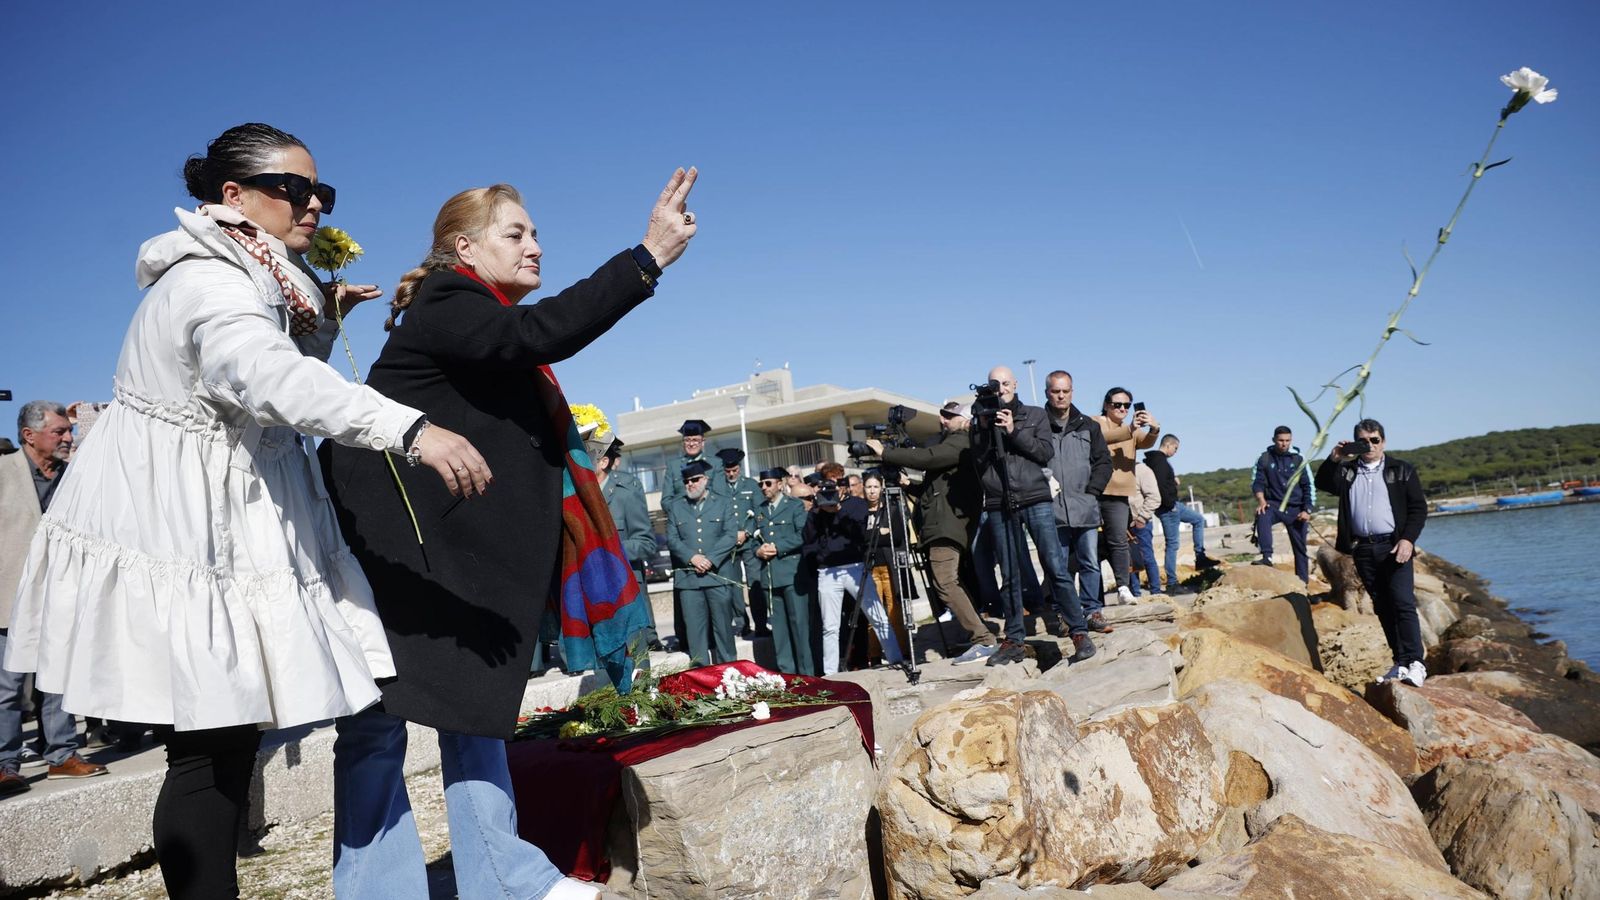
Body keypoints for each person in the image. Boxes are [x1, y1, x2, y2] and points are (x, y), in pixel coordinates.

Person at [3, 124, 492, 898]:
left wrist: (324, 323)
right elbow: (264, 376)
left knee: (222, 742)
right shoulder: (211, 281)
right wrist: (410, 428)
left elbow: (272, 385)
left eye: (320, 192)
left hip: (220, 518)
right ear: (232, 196)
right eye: (293, 189)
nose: (314, 206)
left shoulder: (254, 274)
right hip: (183, 529)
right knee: (208, 747)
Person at [323, 171, 696, 900]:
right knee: (377, 722)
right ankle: (380, 890)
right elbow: (536, 332)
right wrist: (644, 257)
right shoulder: (450, 301)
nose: (537, 247)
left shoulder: (470, 312)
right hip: (394, 555)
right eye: (516, 233)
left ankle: (504, 876)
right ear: (464, 247)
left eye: (536, 234)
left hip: (448, 560)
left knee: (476, 709)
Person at [2, 402, 108, 798]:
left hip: (61, 596)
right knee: (8, 688)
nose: (67, 438)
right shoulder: (3, 472)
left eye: (68, 431)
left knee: (58, 682)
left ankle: (62, 756)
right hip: (8, 596)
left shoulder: (72, 477)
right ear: (29, 436)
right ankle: (5, 765)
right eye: (59, 432)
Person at [969, 366, 1096, 666]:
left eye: (1005, 383)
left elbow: (1043, 453)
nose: (1000, 388)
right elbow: (978, 460)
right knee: (1010, 575)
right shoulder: (981, 419)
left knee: (1055, 565)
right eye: (994, 384)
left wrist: (1012, 431)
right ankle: (1014, 639)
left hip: (1034, 498)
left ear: (1014, 385)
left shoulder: (1035, 415)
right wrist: (986, 427)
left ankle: (1078, 631)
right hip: (1000, 502)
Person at [871, 402, 994, 663]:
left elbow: (927, 457)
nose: (943, 419)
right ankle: (978, 635)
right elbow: (933, 490)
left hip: (946, 526)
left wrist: (886, 453)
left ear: (964, 420)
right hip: (942, 524)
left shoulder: (961, 441)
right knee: (949, 581)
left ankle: (983, 639)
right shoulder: (955, 445)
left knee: (945, 581)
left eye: (950, 416)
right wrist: (908, 485)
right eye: (943, 415)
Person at [1316, 419, 1429, 686]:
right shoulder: (1348, 471)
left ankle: (1416, 663)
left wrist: (1408, 540)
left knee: (1402, 602)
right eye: (1363, 441)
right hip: (1363, 548)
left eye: (1375, 440)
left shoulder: (1401, 470)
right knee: (1382, 606)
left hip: (1394, 546)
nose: (1370, 445)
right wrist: (1334, 458)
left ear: (1384, 442)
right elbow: (1323, 482)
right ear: (1356, 442)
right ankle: (1400, 662)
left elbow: (1418, 509)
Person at [803, 471, 904, 675]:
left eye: (833, 490)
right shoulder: (816, 513)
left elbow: (860, 533)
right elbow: (808, 541)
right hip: (827, 571)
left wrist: (838, 510)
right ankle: (831, 673)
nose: (829, 496)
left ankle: (896, 659)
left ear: (842, 489)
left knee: (877, 615)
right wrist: (818, 510)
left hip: (855, 567)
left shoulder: (856, 505)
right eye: (825, 492)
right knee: (830, 626)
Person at [1041, 372, 1113, 628]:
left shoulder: (1089, 426)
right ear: (1047, 392)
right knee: (1058, 566)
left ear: (1072, 392)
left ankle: (1093, 610)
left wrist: (1093, 490)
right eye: (1055, 391)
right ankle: (1063, 613)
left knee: (1089, 562)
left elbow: (1104, 462)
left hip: (1085, 507)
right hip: (1052, 510)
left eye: (1065, 391)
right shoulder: (1038, 424)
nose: (1061, 396)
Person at [665, 459, 740, 666]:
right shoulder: (676, 507)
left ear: (705, 480)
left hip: (717, 577)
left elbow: (730, 535)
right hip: (689, 581)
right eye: (686, 481)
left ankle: (730, 673)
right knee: (695, 635)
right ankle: (702, 677)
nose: (690, 484)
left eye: (695, 479)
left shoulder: (723, 502)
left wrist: (711, 559)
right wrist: (692, 557)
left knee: (724, 631)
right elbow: (672, 539)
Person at [1092, 387, 1161, 606]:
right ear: (1106, 405)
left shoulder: (1130, 429)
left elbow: (1147, 442)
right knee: (1089, 545)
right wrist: (1130, 428)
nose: (1122, 408)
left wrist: (1154, 428)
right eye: (1117, 404)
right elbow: (1101, 438)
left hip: (1119, 494)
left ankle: (1123, 587)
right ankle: (1094, 597)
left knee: (1119, 542)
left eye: (1127, 405)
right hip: (1094, 491)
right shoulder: (1095, 422)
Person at [594, 434, 661, 644]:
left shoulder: (626, 493)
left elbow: (647, 543)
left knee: (637, 663)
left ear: (604, 462)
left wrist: (610, 550)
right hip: (596, 594)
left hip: (627, 590)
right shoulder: (580, 495)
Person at [748, 467, 813, 674]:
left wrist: (777, 547)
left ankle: (807, 676)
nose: (764, 488)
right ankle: (788, 676)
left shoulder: (793, 506)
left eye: (768, 483)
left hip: (792, 575)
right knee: (780, 632)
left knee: (799, 628)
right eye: (761, 484)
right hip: (770, 578)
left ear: (780, 483)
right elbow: (751, 541)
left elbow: (802, 535)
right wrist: (758, 550)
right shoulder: (759, 510)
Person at [1144, 434, 1220, 594]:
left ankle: (1200, 557)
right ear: (1168, 445)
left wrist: (1173, 480)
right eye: (1175, 448)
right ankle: (1172, 583)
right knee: (1172, 545)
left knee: (1198, 520)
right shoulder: (1159, 462)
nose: (1175, 452)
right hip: (1169, 508)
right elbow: (1159, 486)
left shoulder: (1157, 462)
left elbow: (1163, 482)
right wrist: (1169, 504)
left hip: (1172, 506)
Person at [861, 472, 911, 664]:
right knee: (873, 611)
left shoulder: (891, 509)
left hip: (890, 567)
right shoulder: (862, 512)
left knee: (894, 609)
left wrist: (873, 534)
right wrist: (879, 532)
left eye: (875, 487)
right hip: (871, 567)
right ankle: (874, 655)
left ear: (881, 488)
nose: (872, 491)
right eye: (869, 487)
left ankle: (903, 651)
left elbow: (897, 535)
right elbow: (862, 538)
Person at [1253, 425, 1313, 583]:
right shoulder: (1264, 458)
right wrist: (1261, 500)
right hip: (1274, 505)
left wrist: (1307, 510)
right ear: (1274, 440)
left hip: (1296, 510)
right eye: (1281, 440)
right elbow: (1257, 483)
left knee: (1300, 549)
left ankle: (1303, 585)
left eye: (1287, 440)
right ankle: (1267, 556)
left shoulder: (1299, 459)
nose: (1284, 444)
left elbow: (1308, 486)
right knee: (1262, 514)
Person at [712, 447, 762, 636]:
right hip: (729, 544)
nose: (731, 474)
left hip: (749, 543)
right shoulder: (717, 487)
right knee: (733, 585)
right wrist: (731, 535)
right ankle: (742, 622)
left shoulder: (751, 485)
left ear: (739, 468)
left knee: (754, 583)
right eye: (728, 471)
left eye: (734, 470)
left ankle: (761, 623)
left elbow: (759, 511)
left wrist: (747, 532)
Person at [1128, 459, 1163, 597]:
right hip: (1124, 524)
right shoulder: (1117, 471)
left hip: (1140, 522)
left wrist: (1142, 518)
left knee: (1147, 557)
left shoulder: (1143, 470)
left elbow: (1154, 497)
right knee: (1129, 561)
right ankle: (1135, 594)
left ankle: (1156, 592)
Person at [660, 419, 712, 507]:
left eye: (695, 440)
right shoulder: (673, 466)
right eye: (687, 440)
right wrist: (680, 515)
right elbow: (666, 501)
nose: (691, 444)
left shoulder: (715, 464)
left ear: (703, 442)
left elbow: (721, 495)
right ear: (683, 443)